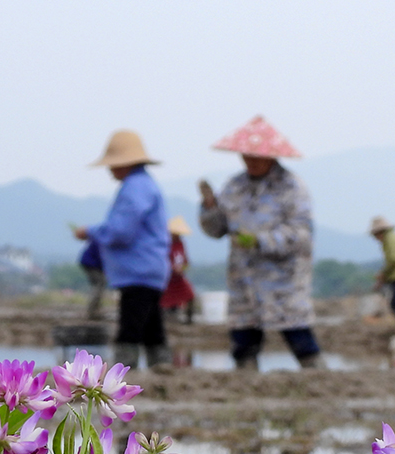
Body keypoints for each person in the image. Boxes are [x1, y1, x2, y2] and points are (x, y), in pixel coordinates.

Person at [198, 116, 323, 370]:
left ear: (271, 156)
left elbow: (301, 233)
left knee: (300, 339)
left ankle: (319, 382)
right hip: (244, 280)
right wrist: (209, 208)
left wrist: (261, 241)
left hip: (283, 282)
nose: (251, 161)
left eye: (257, 156)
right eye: (247, 156)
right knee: (243, 343)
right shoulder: (234, 187)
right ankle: (246, 386)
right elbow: (217, 229)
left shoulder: (292, 187)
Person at [73, 130, 170, 369]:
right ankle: (162, 367)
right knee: (152, 326)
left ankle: (124, 371)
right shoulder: (145, 184)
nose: (110, 170)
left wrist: (90, 231)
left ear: (125, 163)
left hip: (138, 269)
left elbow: (121, 231)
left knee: (131, 326)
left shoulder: (134, 188)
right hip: (151, 268)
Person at [160, 215, 195, 324]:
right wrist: (171, 268)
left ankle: (189, 320)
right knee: (163, 300)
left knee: (190, 295)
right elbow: (161, 261)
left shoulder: (180, 244)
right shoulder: (164, 245)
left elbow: (185, 261)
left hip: (178, 279)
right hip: (167, 280)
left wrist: (183, 268)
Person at [370, 216, 395, 315]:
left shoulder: (390, 240)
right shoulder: (388, 240)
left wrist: (383, 273)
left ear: (379, 232)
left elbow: (393, 259)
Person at [78, 238, 106, 320]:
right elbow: (101, 256)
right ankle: (92, 311)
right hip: (91, 264)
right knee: (99, 285)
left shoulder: (101, 238)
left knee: (97, 285)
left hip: (89, 263)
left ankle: (95, 311)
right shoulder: (103, 240)